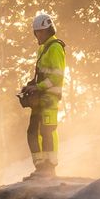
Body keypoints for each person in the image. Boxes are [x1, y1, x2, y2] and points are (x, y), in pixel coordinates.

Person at [21, 13, 65, 179]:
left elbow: (56, 77)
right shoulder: (43, 48)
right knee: (32, 131)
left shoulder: (55, 47)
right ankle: (40, 168)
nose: (38, 35)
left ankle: (50, 168)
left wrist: (37, 87)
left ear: (48, 31)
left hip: (50, 99)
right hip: (40, 98)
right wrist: (30, 85)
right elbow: (42, 74)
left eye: (40, 32)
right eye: (36, 32)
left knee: (47, 131)